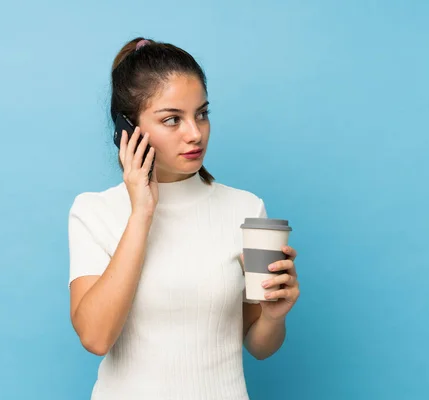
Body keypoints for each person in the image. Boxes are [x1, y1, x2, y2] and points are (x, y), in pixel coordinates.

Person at [67, 37, 300, 399]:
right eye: (172, 119)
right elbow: (96, 337)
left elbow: (260, 347)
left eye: (202, 114)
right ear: (127, 129)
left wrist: (274, 316)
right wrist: (142, 213)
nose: (195, 134)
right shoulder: (94, 212)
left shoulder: (246, 210)